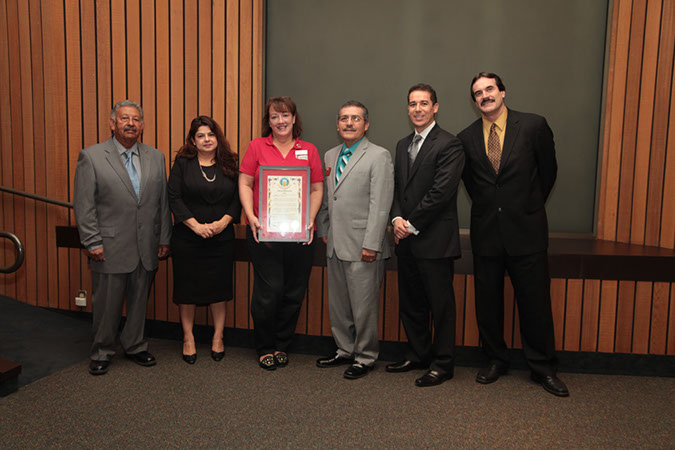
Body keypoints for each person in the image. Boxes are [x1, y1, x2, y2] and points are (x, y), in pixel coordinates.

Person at [458, 72, 568, 397]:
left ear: (503, 92)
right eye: (478, 93)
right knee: (488, 304)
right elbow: (473, 184)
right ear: (474, 100)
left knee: (535, 304)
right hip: (487, 233)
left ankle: (543, 367)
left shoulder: (533, 126)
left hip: (527, 231)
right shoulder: (466, 138)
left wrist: (528, 206)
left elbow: (549, 171)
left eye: (489, 89)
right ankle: (495, 359)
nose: (484, 96)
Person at [73, 100, 171, 375]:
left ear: (142, 125)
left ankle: (135, 345)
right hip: (109, 246)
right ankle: (102, 350)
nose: (131, 123)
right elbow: (84, 204)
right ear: (112, 123)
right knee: (107, 305)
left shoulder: (156, 156)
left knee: (139, 301)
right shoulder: (91, 157)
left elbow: (161, 202)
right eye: (125, 118)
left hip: (146, 246)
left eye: (136, 119)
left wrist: (164, 238)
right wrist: (92, 241)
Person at [386, 83, 465, 387]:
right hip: (406, 240)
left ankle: (442, 363)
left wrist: (409, 223)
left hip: (434, 240)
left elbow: (441, 193)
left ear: (435, 107)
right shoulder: (402, 143)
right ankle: (418, 354)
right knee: (412, 302)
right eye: (412, 104)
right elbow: (397, 188)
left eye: (424, 103)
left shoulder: (449, 144)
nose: (417, 109)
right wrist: (395, 218)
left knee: (440, 306)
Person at [238, 96, 324, 370]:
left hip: (300, 235)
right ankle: (264, 346)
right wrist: (250, 216)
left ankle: (281, 344)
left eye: (285, 115)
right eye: (274, 117)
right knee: (269, 290)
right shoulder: (256, 146)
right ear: (269, 122)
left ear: (294, 118)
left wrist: (309, 220)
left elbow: (317, 189)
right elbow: (245, 182)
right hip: (264, 233)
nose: (280, 121)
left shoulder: (308, 150)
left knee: (293, 291)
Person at [315, 101, 394, 379]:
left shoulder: (378, 155)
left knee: (364, 307)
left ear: (366, 124)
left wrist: (372, 243)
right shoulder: (329, 156)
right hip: (335, 243)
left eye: (356, 119)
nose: (349, 123)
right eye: (344, 119)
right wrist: (324, 230)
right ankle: (344, 350)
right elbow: (327, 198)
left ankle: (365, 356)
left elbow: (381, 204)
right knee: (339, 305)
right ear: (337, 124)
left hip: (364, 246)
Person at [168, 116, 240, 364]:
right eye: (201, 135)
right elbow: (174, 198)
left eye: (211, 134)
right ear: (193, 140)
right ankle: (188, 338)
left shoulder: (230, 162)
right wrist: (195, 226)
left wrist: (223, 222)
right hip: (188, 237)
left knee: (219, 289)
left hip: (222, 238)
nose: (207, 139)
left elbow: (238, 198)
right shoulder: (183, 164)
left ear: (217, 137)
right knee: (186, 289)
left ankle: (218, 337)